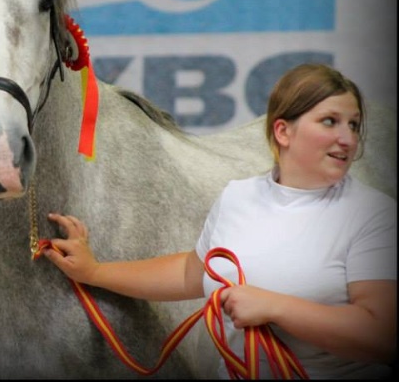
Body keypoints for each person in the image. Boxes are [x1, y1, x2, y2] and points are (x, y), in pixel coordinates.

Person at [43, 62, 396, 379]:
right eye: (330, 121)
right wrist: (94, 272)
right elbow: (195, 273)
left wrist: (275, 306)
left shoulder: (372, 215)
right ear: (284, 132)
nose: (347, 138)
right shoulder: (238, 196)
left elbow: (380, 337)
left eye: (353, 125)